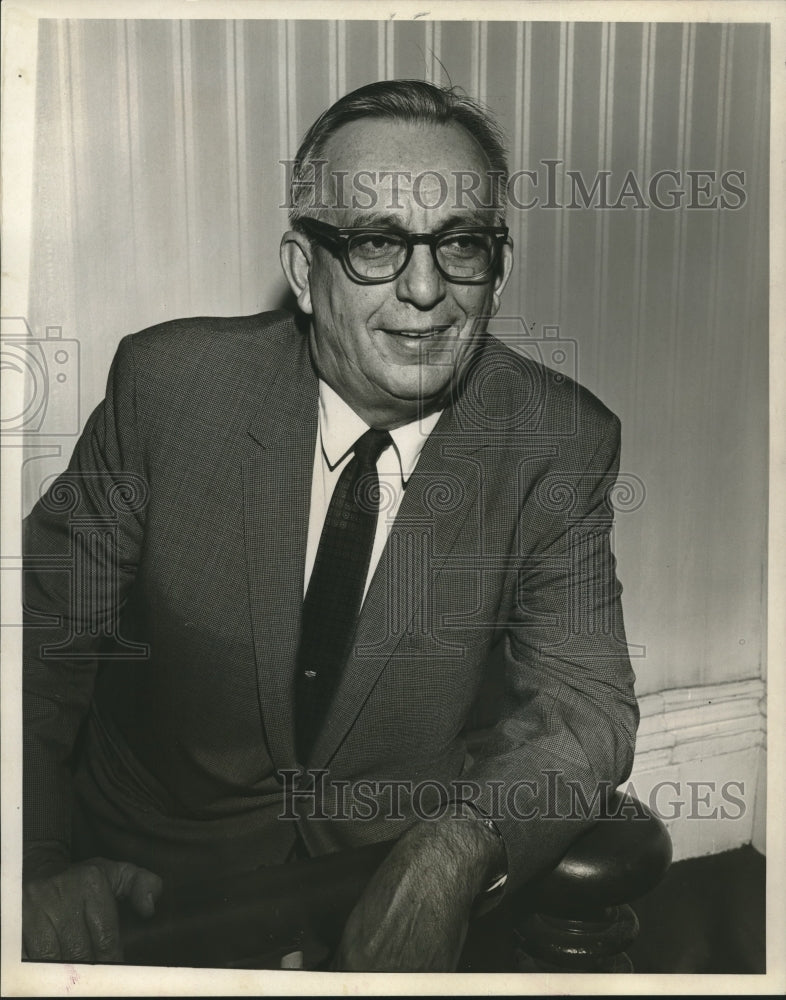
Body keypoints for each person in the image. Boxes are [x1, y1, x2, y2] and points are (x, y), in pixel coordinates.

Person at [22, 79, 639, 971]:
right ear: (306, 272)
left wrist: (453, 850)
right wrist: (36, 863)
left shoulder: (559, 441)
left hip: (381, 878)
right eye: (378, 244)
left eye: (460, 243)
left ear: (496, 271)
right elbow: (39, 648)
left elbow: (585, 708)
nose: (426, 289)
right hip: (146, 887)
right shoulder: (166, 390)